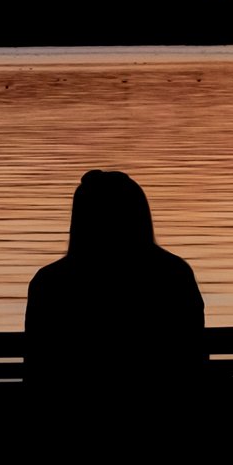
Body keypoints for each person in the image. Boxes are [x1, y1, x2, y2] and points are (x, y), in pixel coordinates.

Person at [23, 170, 208, 406]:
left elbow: (37, 366)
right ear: (139, 216)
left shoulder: (50, 282)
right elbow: (193, 355)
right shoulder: (173, 273)